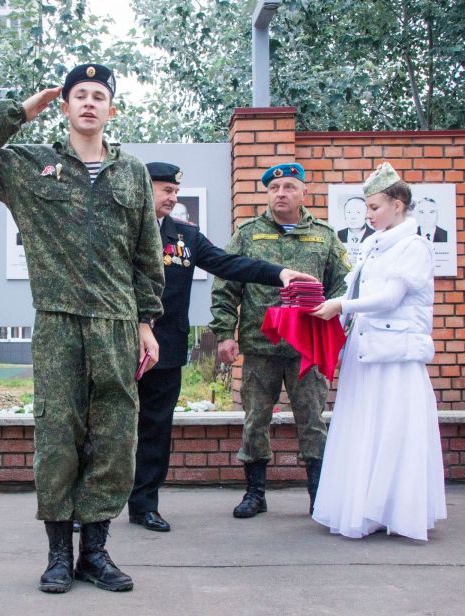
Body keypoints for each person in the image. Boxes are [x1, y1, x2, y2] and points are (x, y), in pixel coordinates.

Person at [0, 64, 164, 594]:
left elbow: (146, 255)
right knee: (58, 437)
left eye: (99, 96)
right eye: (78, 96)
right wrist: (22, 111)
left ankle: (96, 551)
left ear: (112, 110)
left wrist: (146, 322)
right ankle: (57, 555)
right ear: (64, 107)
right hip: (59, 322)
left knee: (114, 438)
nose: (89, 103)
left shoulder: (132, 172)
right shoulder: (30, 165)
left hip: (116, 323)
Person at [128, 162, 317, 532]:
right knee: (103, 426)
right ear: (142, 189)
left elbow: (227, 263)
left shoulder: (185, 236)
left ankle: (144, 504)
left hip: (163, 351)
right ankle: (85, 508)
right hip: (118, 344)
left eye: (175, 191)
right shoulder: (119, 230)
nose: (173, 197)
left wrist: (277, 273)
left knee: (155, 429)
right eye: (165, 190)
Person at [310, 162, 446, 540]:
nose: (368, 215)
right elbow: (355, 293)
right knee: (365, 425)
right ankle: (366, 507)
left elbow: (388, 298)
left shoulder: (413, 246)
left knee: (392, 428)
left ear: (399, 204)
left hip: (395, 354)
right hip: (367, 348)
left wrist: (341, 307)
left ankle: (394, 509)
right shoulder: (373, 246)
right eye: (367, 208)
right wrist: (325, 309)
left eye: (375, 207)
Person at [210, 162, 350, 518]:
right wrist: (225, 334)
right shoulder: (248, 234)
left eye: (289, 187)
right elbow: (226, 286)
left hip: (308, 346)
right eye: (274, 188)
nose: (281, 194)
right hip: (261, 346)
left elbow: (344, 283)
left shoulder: (324, 235)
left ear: (304, 192)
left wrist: (335, 316)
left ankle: (319, 496)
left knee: (312, 420)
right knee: (255, 418)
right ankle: (255, 493)